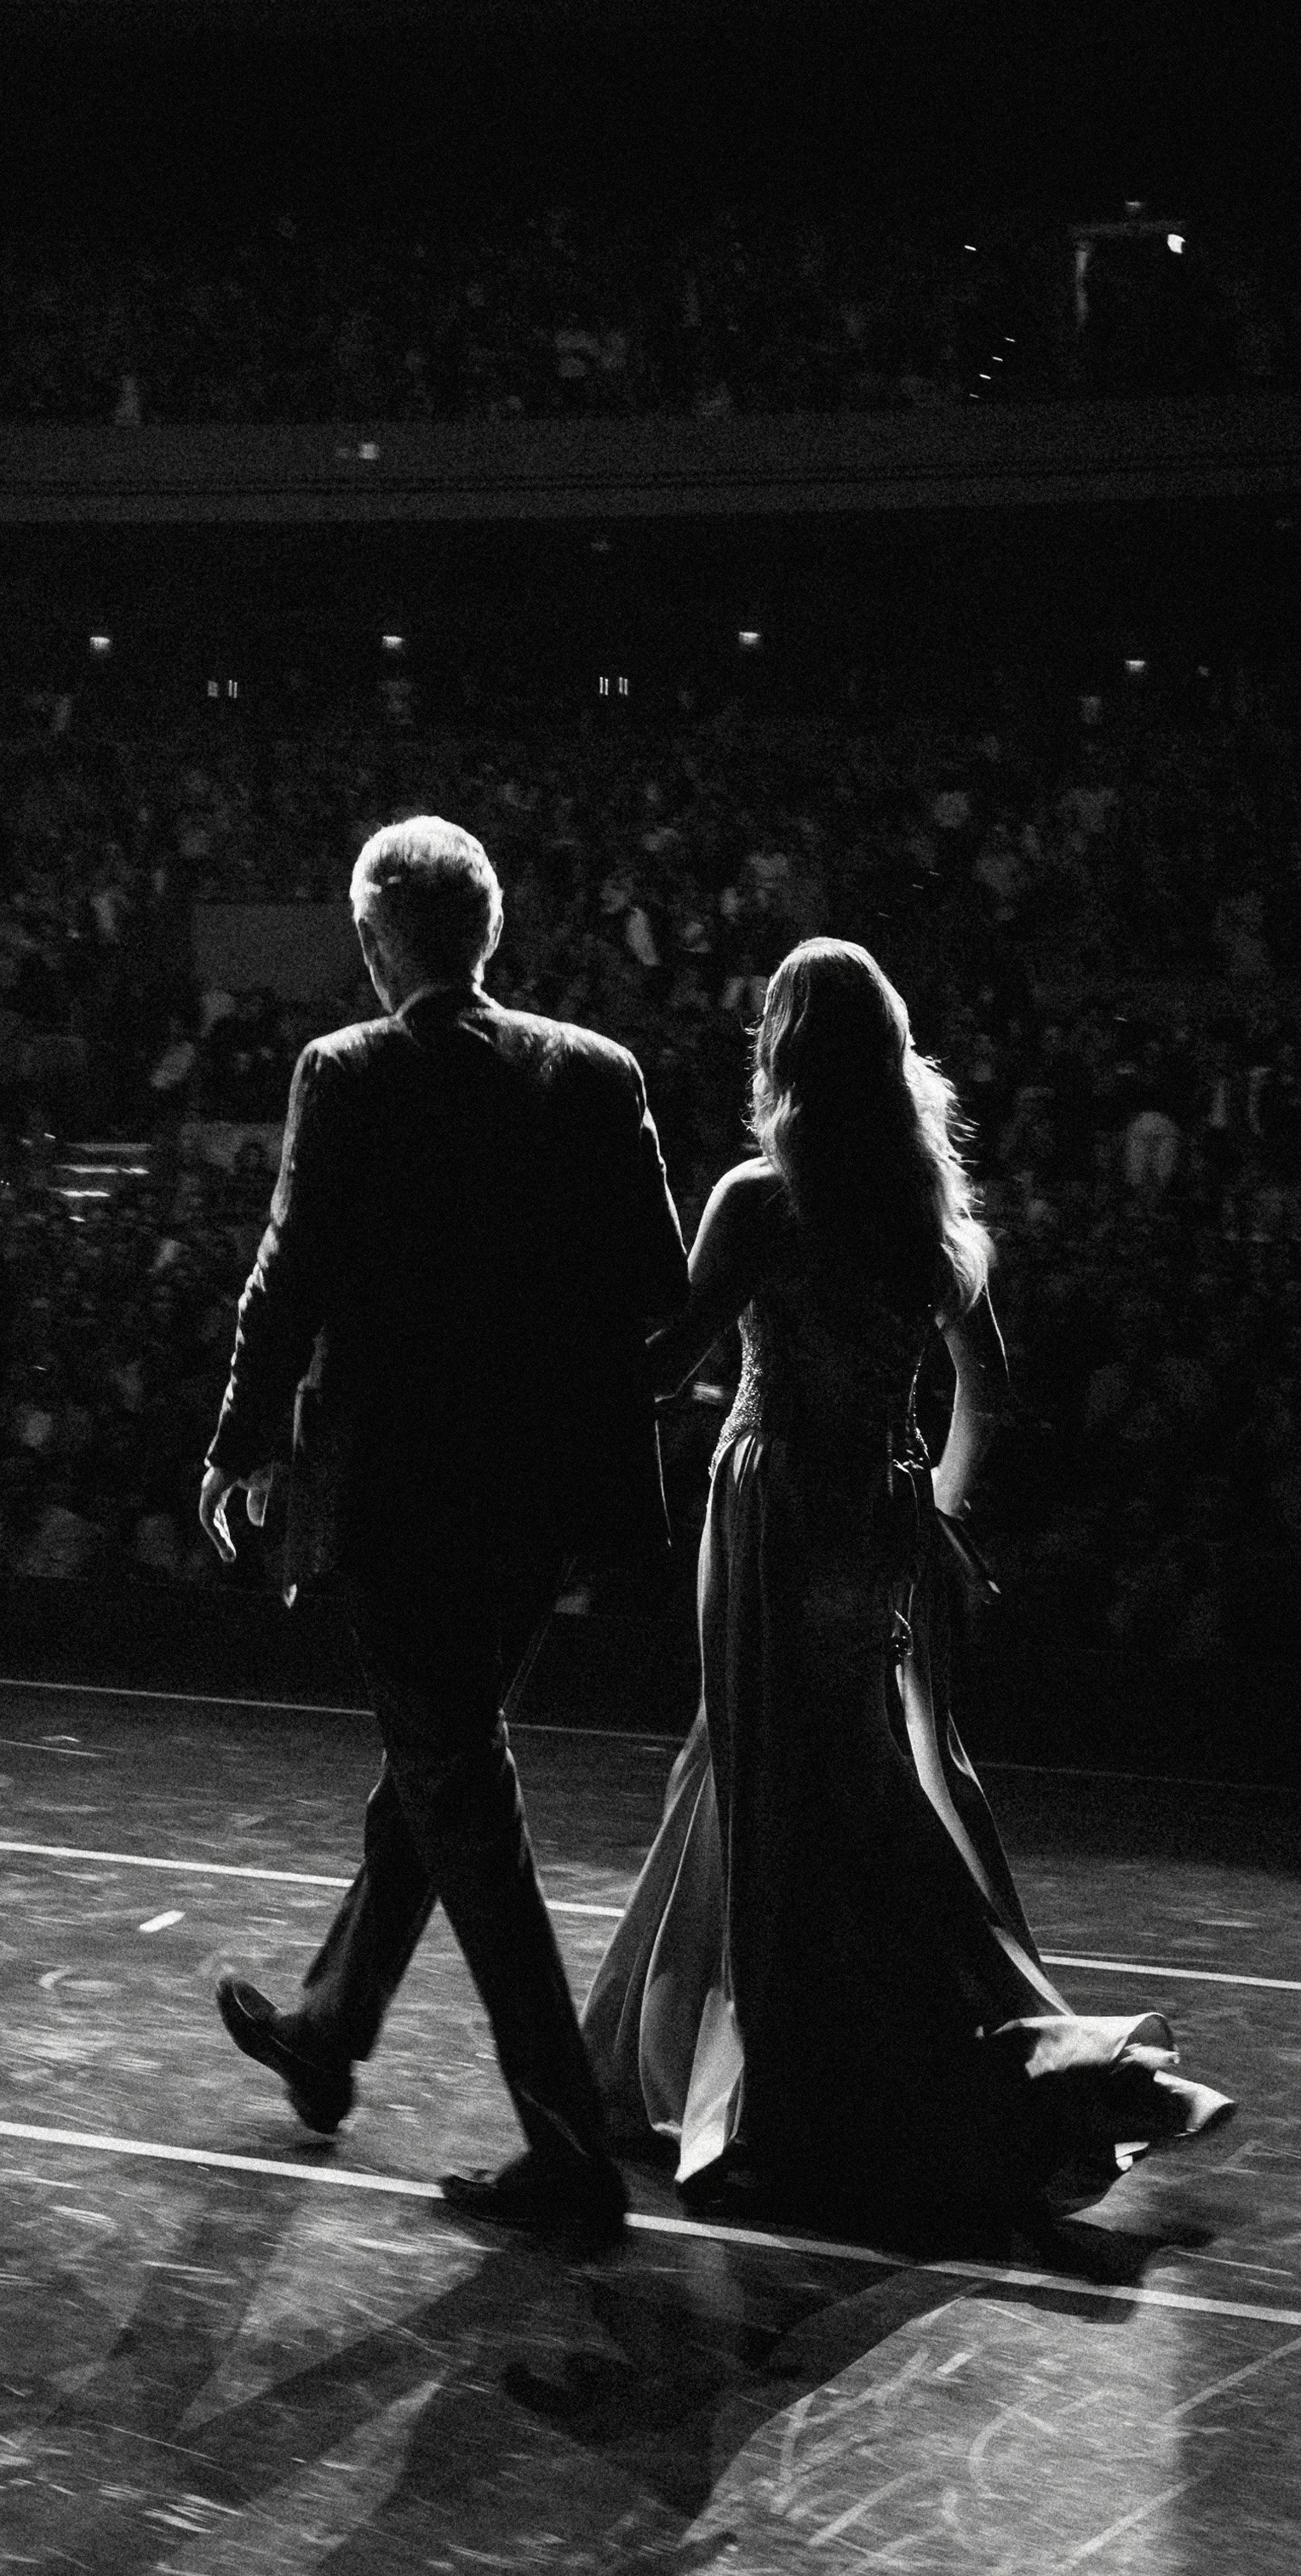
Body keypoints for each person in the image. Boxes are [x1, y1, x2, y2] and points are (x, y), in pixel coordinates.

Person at [582, 937, 1231, 2221]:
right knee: (857, 1772)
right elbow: (987, 1392)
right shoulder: (928, 1219)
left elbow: (664, 1365)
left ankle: (787, 2086)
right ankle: (914, 2042)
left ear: (788, 1051)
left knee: (764, 1774)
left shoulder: (762, 1199)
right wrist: (930, 1505)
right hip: (872, 1517)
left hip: (771, 1509)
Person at [199, 816, 689, 2234]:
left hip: (403, 1489)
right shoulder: (599, 1074)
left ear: (371, 940)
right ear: (489, 932)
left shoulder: (346, 1072)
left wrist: (236, 1443)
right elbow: (656, 1288)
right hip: (542, 1493)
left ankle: (567, 2145)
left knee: (460, 1790)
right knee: (444, 1759)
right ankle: (330, 2030)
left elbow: (286, 1278)